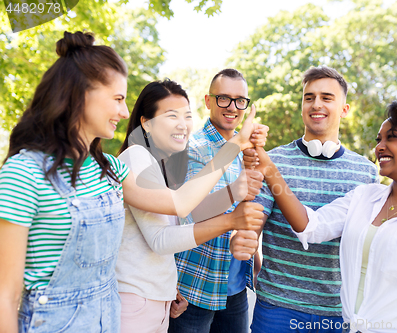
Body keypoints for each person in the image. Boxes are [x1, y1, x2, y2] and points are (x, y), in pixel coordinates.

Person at [0, 31, 264, 333]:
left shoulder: (110, 169)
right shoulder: (24, 173)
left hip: (111, 314)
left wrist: (166, 284)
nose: (124, 111)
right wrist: (234, 150)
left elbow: (181, 210)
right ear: (81, 95)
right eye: (117, 98)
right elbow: (5, 297)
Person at [243, 98, 397, 333]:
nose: (379, 147)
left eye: (392, 137)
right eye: (379, 139)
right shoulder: (364, 197)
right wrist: (269, 168)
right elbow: (310, 226)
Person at [232, 66, 379, 333]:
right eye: (309, 97)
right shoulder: (273, 159)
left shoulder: (366, 171)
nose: (316, 104)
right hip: (277, 307)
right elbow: (254, 221)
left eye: (326, 97)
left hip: (336, 312)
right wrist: (245, 237)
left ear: (344, 109)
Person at [116, 79, 267, 333]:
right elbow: (171, 224)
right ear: (146, 123)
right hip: (136, 304)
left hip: (158, 301)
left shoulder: (160, 165)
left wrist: (169, 286)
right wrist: (236, 144)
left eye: (186, 115)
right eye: (171, 115)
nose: (182, 124)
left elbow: (172, 229)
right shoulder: (136, 157)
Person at [169, 68, 261, 333]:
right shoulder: (190, 148)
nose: (232, 107)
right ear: (208, 101)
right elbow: (191, 213)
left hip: (234, 290)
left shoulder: (245, 151)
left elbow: (249, 210)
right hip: (193, 288)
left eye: (240, 100)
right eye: (224, 98)